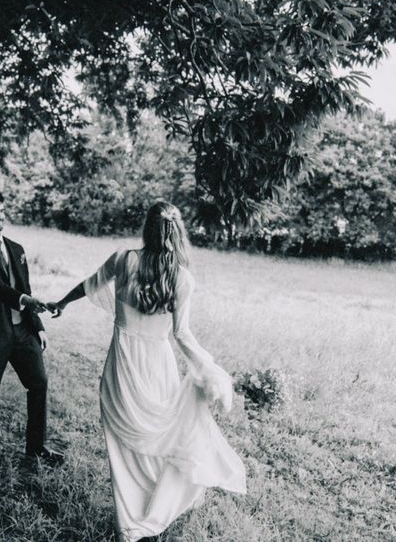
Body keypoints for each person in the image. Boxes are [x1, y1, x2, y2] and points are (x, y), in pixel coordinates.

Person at [48, 201, 246, 541]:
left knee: (123, 445)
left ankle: (130, 520)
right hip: (158, 364)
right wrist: (206, 365)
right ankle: (155, 503)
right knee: (159, 435)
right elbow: (182, 334)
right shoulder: (182, 278)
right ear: (178, 233)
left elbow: (89, 284)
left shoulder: (123, 259)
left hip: (122, 363)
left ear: (147, 228)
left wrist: (61, 303)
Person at [0, 190, 64, 471]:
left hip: (24, 333)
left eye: (2, 210)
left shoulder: (17, 249)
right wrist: (27, 300)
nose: (0, 215)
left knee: (38, 384)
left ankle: (37, 447)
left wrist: (38, 326)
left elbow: (24, 288)